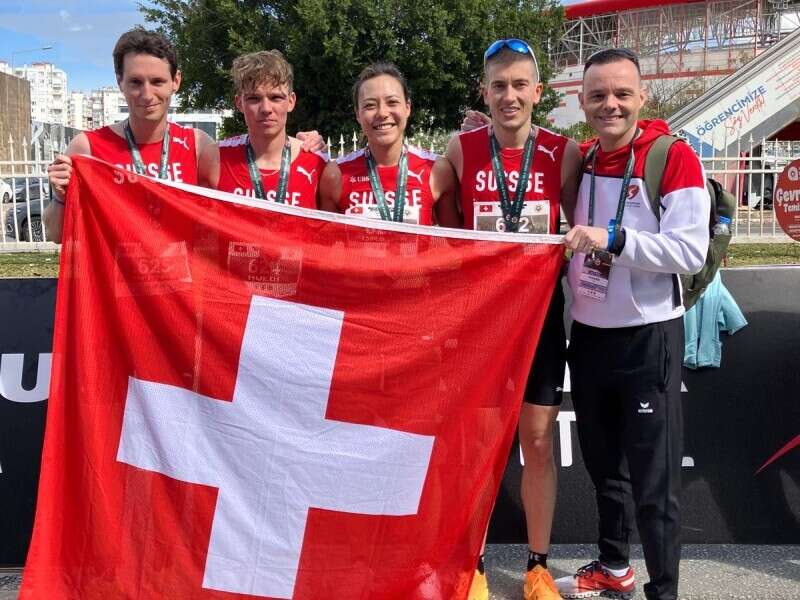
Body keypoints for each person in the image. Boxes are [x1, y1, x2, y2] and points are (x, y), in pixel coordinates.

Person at [555, 48, 710, 600]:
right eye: (598, 95)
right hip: (589, 335)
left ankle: (663, 590)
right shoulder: (582, 158)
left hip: (648, 338)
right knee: (605, 469)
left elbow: (690, 252)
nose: (611, 105)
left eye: (622, 93)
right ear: (582, 102)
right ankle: (614, 566)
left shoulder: (671, 157)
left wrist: (615, 239)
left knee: (654, 481)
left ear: (642, 96)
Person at [446, 39, 582, 600]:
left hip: (540, 321)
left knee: (539, 443)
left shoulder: (562, 153)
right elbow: (418, 200)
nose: (509, 96)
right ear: (484, 92)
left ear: (537, 91)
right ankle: (473, 564)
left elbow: (584, 224)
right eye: (499, 85)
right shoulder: (460, 150)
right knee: (479, 448)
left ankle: (537, 567)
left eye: (520, 84)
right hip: (481, 325)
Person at [44, 28, 218, 243]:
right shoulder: (88, 147)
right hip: (113, 266)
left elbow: (223, 222)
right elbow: (55, 235)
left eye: (157, 81)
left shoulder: (198, 146)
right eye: (136, 82)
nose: (147, 95)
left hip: (180, 265)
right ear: (120, 82)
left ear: (176, 81)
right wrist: (60, 198)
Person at [318, 62, 461, 227]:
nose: (382, 113)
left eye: (392, 102)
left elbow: (454, 240)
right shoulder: (335, 175)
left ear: (407, 107)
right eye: (370, 105)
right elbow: (323, 242)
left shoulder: (437, 171)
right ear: (358, 114)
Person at [213, 50, 327, 207]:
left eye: (276, 98)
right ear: (239, 103)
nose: (266, 108)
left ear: (291, 102)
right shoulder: (215, 158)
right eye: (254, 98)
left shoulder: (318, 164)